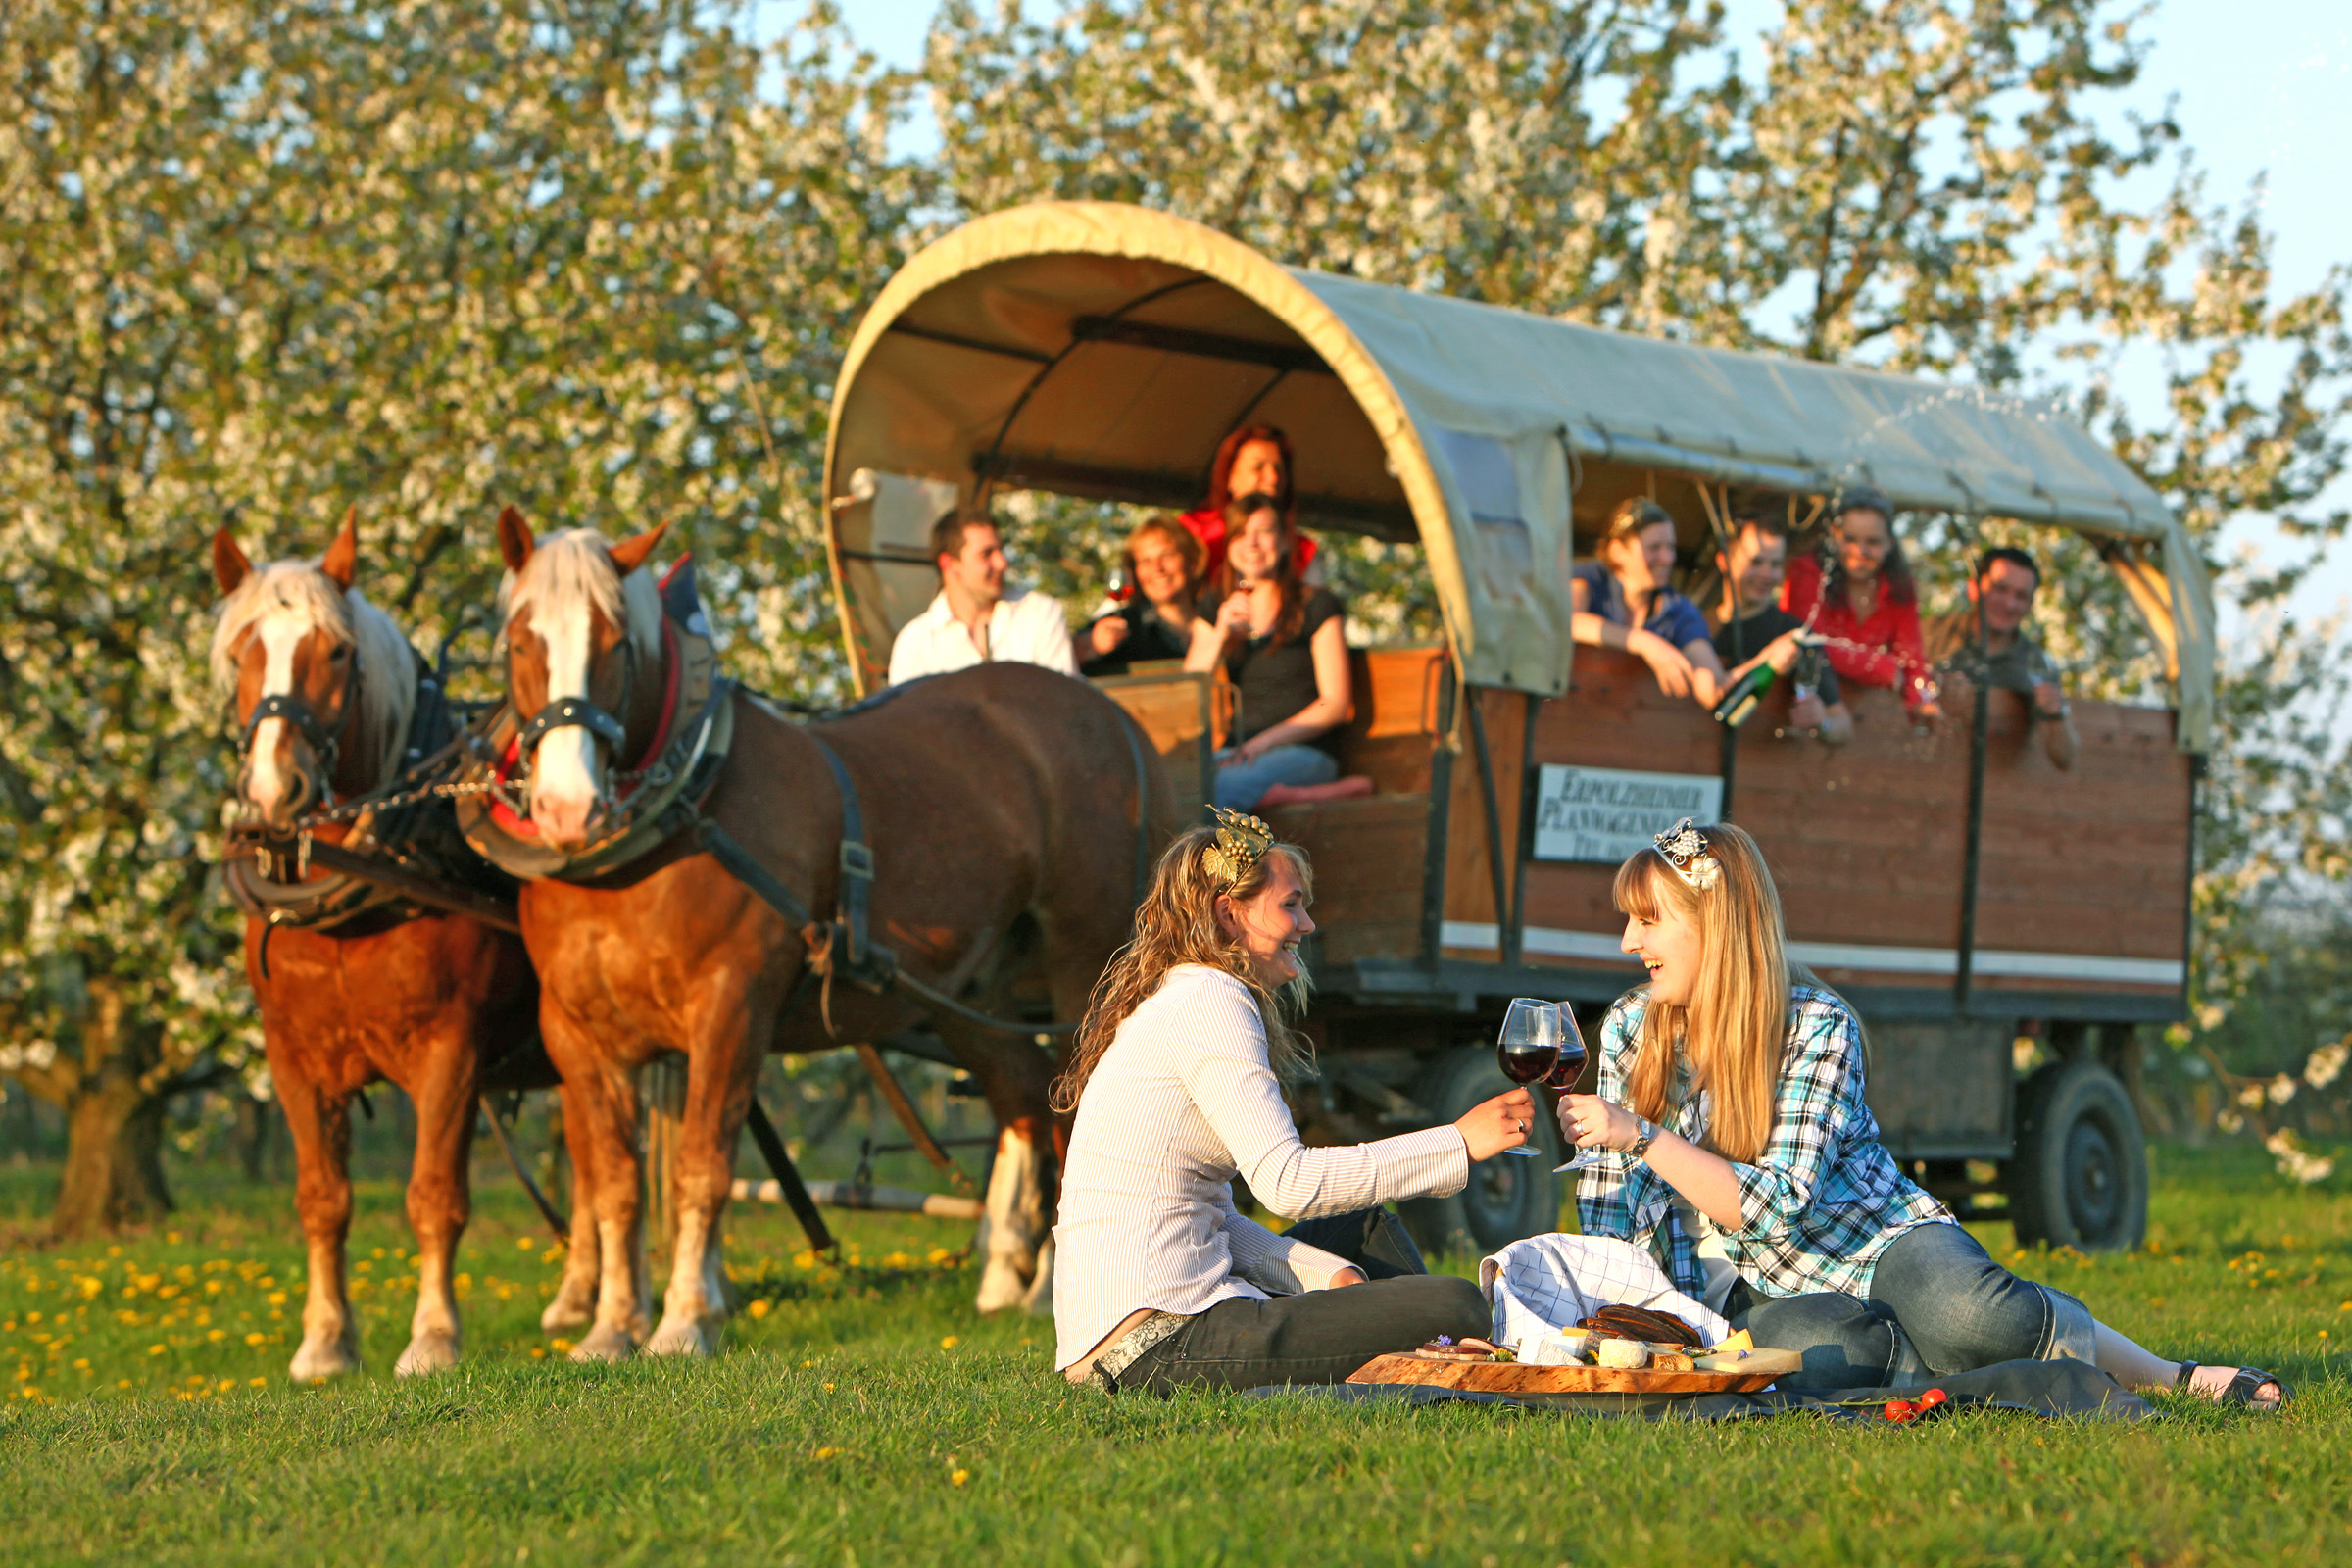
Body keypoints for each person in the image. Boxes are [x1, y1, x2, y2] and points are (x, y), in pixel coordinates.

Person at [1555, 818, 2287, 1408]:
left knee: (1972, 1315)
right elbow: (1614, 1211)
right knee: (1829, 1357)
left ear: (1714, 924)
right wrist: (1621, 1320)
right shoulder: (1631, 1027)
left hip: (1873, 1239)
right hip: (1746, 1287)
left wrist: (1642, 1136)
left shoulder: (1816, 1025)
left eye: (1647, 921)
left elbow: (1772, 1206)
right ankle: (1965, 1372)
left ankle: (2168, 1373)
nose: (1629, 942)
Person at [1054, 808, 1535, 1393]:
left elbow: (1219, 1220)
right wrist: (1458, 1141)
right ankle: (1456, 1361)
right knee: (1457, 1303)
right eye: (1291, 904)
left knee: (1356, 1229)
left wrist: (1324, 1270)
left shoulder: (1185, 996)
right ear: (1230, 915)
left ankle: (1440, 1362)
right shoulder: (1213, 1001)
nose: (1307, 923)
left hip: (1140, 1327)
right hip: (1155, 1345)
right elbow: (1286, 1183)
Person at [1187, 494, 1363, 811]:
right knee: (1178, 785)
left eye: (1264, 532)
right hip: (1236, 753)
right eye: (1241, 534)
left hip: (1304, 750)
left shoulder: (1317, 605)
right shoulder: (1216, 606)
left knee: (1220, 791)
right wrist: (1220, 633)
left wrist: (1263, 743)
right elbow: (1187, 689)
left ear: (1283, 542)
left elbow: (1335, 704)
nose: (1252, 543)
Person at [1780, 487, 1943, 724]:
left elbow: (1911, 657)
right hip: (1803, 708)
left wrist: (1922, 701)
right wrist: (1880, 668)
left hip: (1861, 720)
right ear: (1835, 534)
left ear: (1890, 543)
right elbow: (1808, 643)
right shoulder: (1810, 570)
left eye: (1873, 542)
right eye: (1850, 539)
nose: (1860, 551)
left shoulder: (1899, 586)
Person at [1924, 547, 2079, 771]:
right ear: (1973, 588)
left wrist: (2057, 715)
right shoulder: (1930, 634)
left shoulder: (2037, 664)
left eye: (2021, 596)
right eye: (2000, 589)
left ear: (2031, 605)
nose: (2009, 604)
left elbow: (2065, 759)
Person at [1709, 511, 1852, 746]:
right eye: (1756, 562)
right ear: (1724, 561)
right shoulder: (1697, 625)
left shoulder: (1796, 635)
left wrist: (1822, 721)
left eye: (1775, 564)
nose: (1767, 574)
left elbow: (1843, 725)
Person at [887, 510, 1077, 684]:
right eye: (986, 554)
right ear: (949, 564)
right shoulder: (915, 644)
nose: (1002, 563)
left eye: (1000, 550)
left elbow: (1063, 707)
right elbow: (908, 720)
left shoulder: (1040, 614)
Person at [1571, 499, 1727, 707]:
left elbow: (1710, 683)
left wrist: (1767, 661)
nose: (1667, 558)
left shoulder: (1677, 608)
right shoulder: (1589, 577)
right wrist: (1645, 643)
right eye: (1654, 548)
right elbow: (1569, 620)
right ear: (1618, 551)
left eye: (1671, 547)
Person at [1179, 423, 1318, 583]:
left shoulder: (1302, 549)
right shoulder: (1194, 531)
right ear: (1230, 476)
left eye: (1279, 469)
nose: (1273, 478)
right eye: (1258, 467)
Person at [1080, 515, 1209, 677]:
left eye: (1167, 555)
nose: (1157, 568)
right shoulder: (1123, 626)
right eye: (1146, 561)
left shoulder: (1218, 618)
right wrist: (1090, 646)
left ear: (1192, 562)